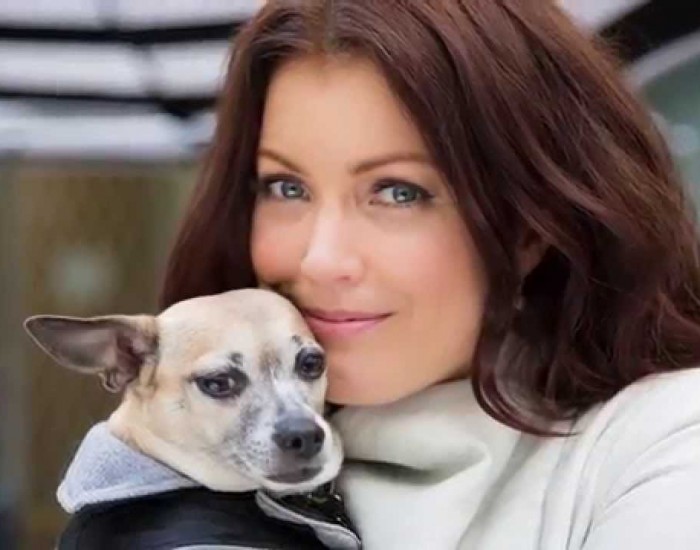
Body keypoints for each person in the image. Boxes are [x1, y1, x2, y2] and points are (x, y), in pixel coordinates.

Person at [160, 1, 700, 548]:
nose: (320, 260)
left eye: (399, 192)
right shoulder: (181, 460)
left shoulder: (663, 442)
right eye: (286, 187)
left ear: (531, 226)